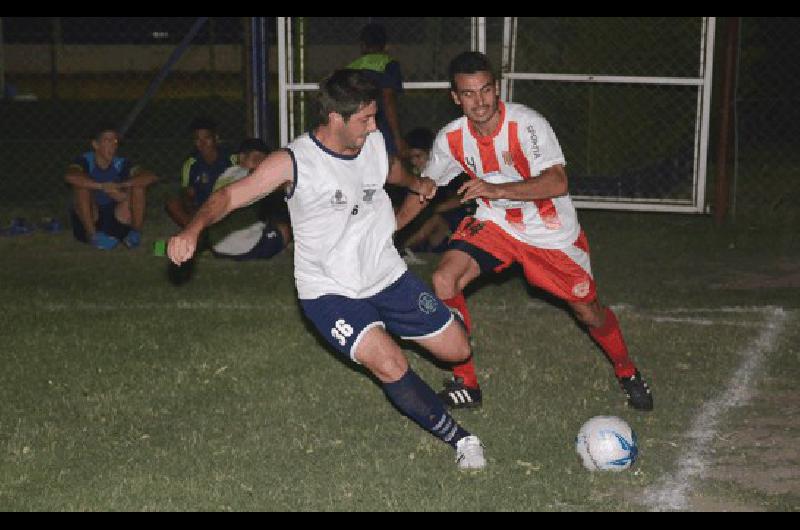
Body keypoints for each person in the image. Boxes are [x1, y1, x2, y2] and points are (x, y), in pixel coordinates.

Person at [167, 69, 486, 470]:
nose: (374, 127)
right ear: (336, 117)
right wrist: (193, 228)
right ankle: (461, 440)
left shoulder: (371, 142)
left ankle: (423, 323)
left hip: (385, 274)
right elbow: (229, 196)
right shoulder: (294, 162)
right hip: (329, 291)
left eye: (375, 118)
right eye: (365, 119)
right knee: (389, 363)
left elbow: (392, 171)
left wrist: (417, 183)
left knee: (458, 349)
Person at [398, 51, 654, 412]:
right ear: (455, 97)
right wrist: (389, 230)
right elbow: (426, 188)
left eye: (486, 90)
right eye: (469, 94)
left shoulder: (527, 125)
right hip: (495, 223)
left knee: (588, 312)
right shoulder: (451, 138)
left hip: (549, 232)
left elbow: (557, 181)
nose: (479, 101)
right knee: (444, 279)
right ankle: (466, 384)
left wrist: (497, 189)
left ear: (496, 88)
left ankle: (627, 371)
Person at [65, 123, 159, 250]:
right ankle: (94, 236)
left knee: (138, 186)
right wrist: (102, 186)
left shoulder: (121, 163)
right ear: (96, 145)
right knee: (81, 188)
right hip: (93, 216)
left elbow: (150, 176)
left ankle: (134, 234)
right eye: (107, 141)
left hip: (116, 215)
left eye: (115, 141)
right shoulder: (85, 161)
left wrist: (120, 186)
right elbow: (70, 176)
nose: (113, 145)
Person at [396, 127, 474, 264]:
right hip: (421, 223)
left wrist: (431, 209)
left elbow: (462, 198)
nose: (414, 162)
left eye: (419, 156)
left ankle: (397, 250)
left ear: (431, 154)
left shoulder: (450, 172)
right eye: (411, 158)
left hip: (450, 225)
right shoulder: (413, 176)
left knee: (434, 219)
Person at [206, 138, 292, 261]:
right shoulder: (249, 174)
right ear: (241, 157)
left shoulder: (225, 174)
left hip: (217, 247)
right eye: (257, 159)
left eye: (264, 161)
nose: (261, 165)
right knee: (284, 230)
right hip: (244, 249)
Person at [165, 117, 237, 228]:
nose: (202, 143)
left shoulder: (231, 158)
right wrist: (190, 206)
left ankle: (197, 231)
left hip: (226, 207)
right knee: (172, 203)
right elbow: (187, 192)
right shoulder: (191, 163)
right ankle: (197, 231)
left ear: (216, 138)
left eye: (207, 138)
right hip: (203, 208)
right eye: (197, 139)